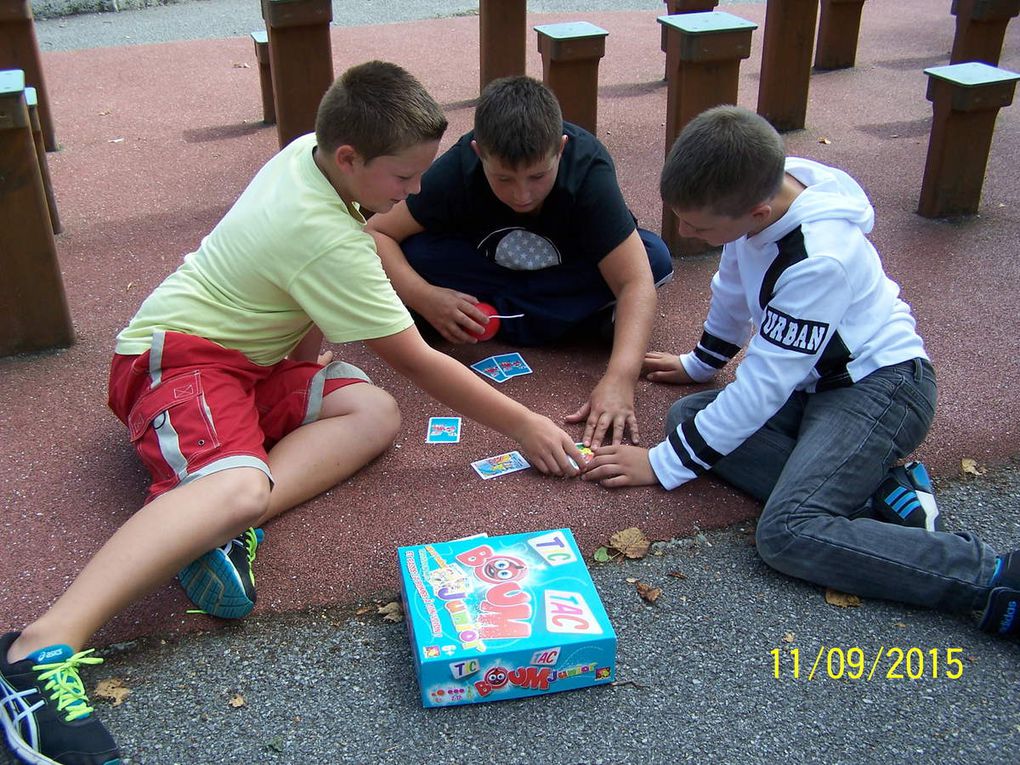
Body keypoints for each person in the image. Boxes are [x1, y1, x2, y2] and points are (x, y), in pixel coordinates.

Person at [0, 61, 585, 765]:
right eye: (403, 177)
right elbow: (417, 360)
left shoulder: (312, 153)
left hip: (246, 364)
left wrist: (304, 364)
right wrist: (525, 424)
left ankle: (211, 527)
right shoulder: (328, 237)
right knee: (241, 487)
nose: (414, 191)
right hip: (173, 365)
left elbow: (301, 293)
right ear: (351, 157)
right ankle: (36, 651)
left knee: (371, 411)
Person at [583, 105, 1020, 637]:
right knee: (688, 417)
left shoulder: (818, 261)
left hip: (881, 390)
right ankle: (878, 493)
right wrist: (700, 365)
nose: (684, 231)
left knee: (787, 532)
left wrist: (662, 464)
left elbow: (765, 385)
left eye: (698, 226)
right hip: (816, 384)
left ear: (758, 213)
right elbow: (733, 291)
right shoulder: (753, 193)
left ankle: (989, 576)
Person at [366, 76, 674, 448]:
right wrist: (424, 296)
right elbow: (377, 233)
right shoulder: (460, 165)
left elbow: (634, 281)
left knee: (653, 258)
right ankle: (575, 320)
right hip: (490, 272)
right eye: (504, 179)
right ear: (479, 153)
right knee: (416, 254)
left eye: (538, 176)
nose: (522, 195)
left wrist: (620, 378)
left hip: (557, 274)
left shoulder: (588, 168)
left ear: (561, 149)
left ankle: (513, 317)